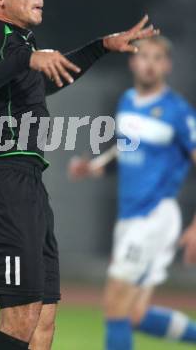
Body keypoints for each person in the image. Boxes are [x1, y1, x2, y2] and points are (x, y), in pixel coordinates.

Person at [0, 0, 158, 350]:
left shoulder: (21, 44)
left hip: (28, 184)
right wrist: (26, 58)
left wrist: (101, 47)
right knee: (21, 314)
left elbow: (49, 78)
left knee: (44, 319)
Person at [68, 35, 196, 350]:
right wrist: (94, 167)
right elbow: (124, 150)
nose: (149, 64)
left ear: (166, 66)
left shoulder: (177, 111)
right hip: (131, 218)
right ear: (132, 62)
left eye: (157, 58)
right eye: (144, 56)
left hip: (153, 216)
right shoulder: (126, 102)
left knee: (114, 304)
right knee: (134, 314)